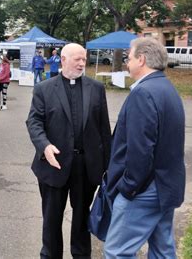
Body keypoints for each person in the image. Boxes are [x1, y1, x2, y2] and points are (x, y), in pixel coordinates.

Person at [26, 43, 112, 259]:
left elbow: (104, 129)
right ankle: (50, 255)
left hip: (86, 166)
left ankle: (81, 255)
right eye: (77, 59)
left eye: (84, 59)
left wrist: (108, 166)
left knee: (82, 217)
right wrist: (44, 146)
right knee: (52, 218)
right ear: (63, 60)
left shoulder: (96, 88)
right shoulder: (44, 89)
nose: (83, 63)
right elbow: (34, 122)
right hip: (54, 164)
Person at [104, 37, 185, 258]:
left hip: (143, 191)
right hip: (166, 186)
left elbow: (140, 149)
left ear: (141, 59)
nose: (126, 63)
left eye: (129, 59)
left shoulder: (144, 92)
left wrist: (128, 188)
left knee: (116, 252)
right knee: (162, 250)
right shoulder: (166, 87)